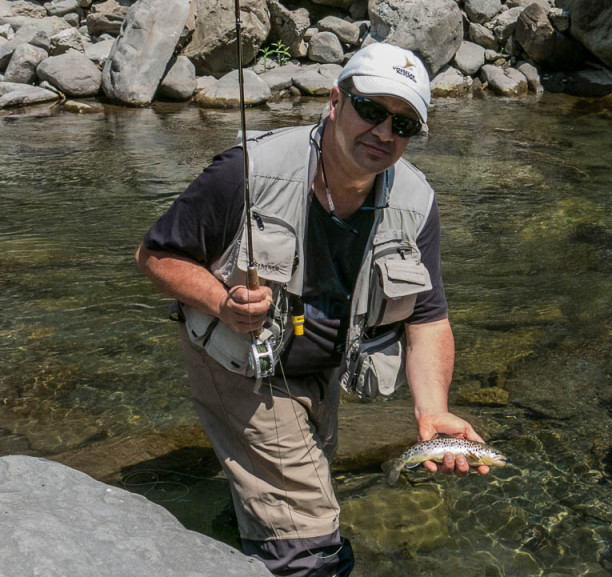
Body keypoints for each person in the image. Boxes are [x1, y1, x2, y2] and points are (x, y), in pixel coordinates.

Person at [135, 42, 490, 577]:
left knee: (300, 493)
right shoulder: (247, 171)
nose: (384, 133)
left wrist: (432, 412)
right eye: (371, 109)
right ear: (335, 101)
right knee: (311, 548)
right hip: (241, 365)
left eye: (403, 124)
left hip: (325, 372)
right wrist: (222, 303)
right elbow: (155, 256)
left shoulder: (416, 201)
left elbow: (427, 318)